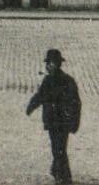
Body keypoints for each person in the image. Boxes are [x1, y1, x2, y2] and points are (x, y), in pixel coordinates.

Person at [26, 48, 81, 185]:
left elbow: (76, 103)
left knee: (59, 149)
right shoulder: (48, 80)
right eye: (48, 63)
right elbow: (40, 96)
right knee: (57, 149)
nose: (48, 66)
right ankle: (59, 172)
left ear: (57, 64)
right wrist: (31, 106)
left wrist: (74, 122)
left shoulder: (67, 81)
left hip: (63, 123)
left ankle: (64, 177)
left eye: (51, 63)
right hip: (52, 122)